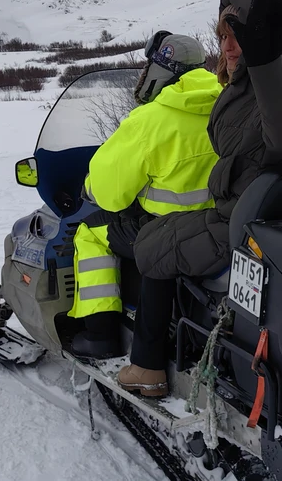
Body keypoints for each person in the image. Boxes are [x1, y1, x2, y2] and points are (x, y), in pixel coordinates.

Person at [119, 0, 282, 397]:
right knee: (165, 231)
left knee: (153, 246)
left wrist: (263, 60)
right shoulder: (243, 85)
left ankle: (148, 367)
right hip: (247, 212)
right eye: (224, 37)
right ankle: (184, 338)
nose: (229, 47)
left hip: (248, 224)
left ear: (266, 38)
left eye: (238, 37)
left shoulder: (275, 81)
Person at [68, 32, 222, 359]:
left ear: (161, 69)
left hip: (163, 232)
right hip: (215, 228)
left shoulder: (149, 120)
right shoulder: (225, 106)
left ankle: (100, 334)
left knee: (89, 233)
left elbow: (110, 196)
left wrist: (90, 186)